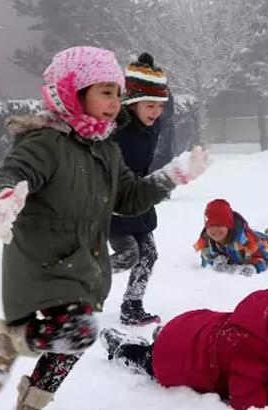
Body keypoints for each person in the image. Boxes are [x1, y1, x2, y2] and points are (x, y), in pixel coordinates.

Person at [0, 46, 208, 410]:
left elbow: (128, 197)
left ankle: (31, 401)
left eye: (118, 93)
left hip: (84, 265)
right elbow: (12, 172)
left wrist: (171, 176)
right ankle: (10, 340)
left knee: (74, 343)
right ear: (73, 92)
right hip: (46, 264)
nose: (115, 102)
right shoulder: (46, 142)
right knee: (80, 332)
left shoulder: (106, 151)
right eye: (105, 92)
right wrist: (6, 197)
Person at [99, 258, 268, 410]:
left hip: (194, 328)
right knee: (148, 359)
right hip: (177, 357)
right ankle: (121, 347)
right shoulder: (253, 348)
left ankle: (163, 336)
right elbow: (245, 400)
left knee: (179, 340)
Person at [109, 52, 170, 326]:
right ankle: (82, 280)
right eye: (150, 105)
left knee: (149, 253)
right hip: (114, 203)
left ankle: (132, 305)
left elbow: (165, 103)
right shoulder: (117, 126)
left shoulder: (153, 125)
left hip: (140, 198)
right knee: (127, 255)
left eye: (160, 105)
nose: (156, 112)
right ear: (132, 103)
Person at [194, 199, 268, 276]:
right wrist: (214, 263)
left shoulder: (247, 241)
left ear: (228, 225)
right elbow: (205, 259)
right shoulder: (206, 240)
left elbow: (261, 260)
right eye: (211, 226)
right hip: (240, 247)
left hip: (259, 244)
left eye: (220, 225)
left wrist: (252, 266)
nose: (215, 230)